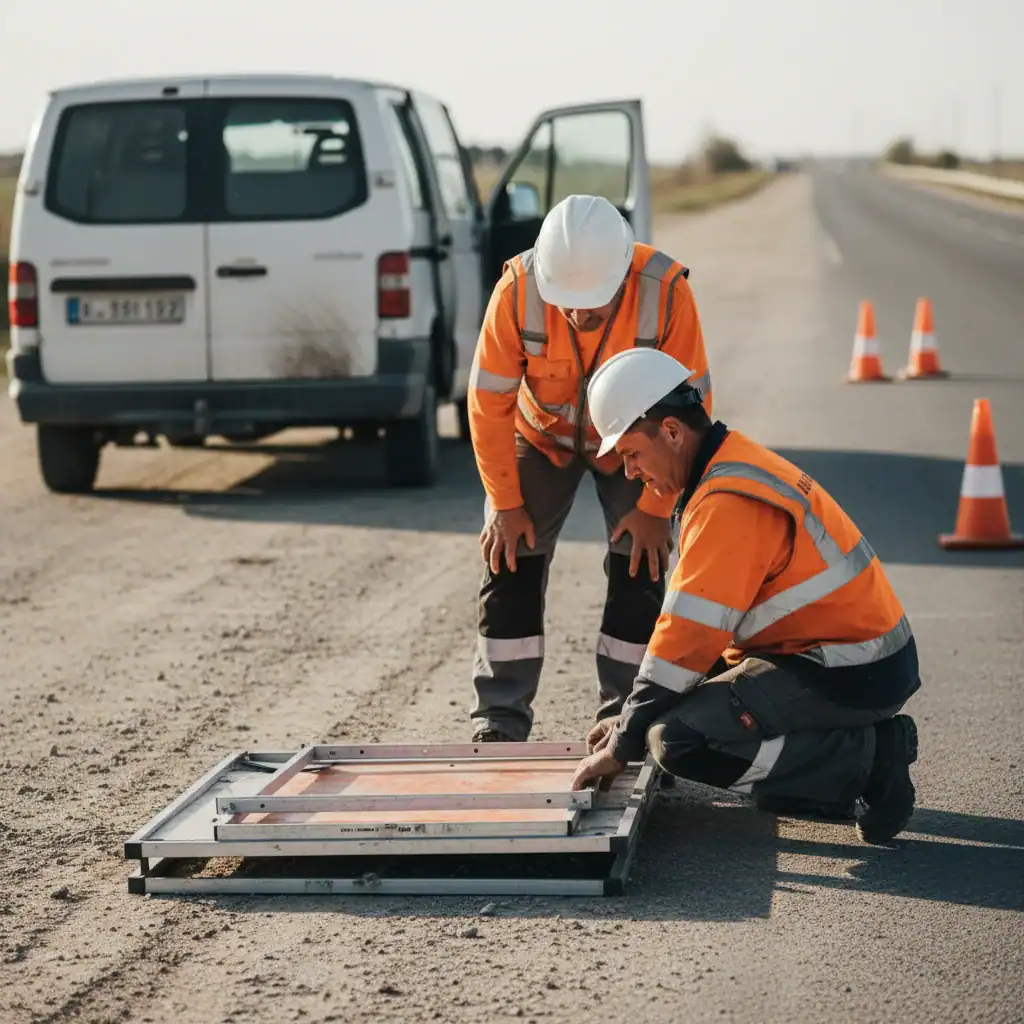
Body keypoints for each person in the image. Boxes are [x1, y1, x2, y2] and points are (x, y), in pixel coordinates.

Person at [569, 347, 921, 844]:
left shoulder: (728, 500)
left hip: (850, 669)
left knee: (678, 740)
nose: (629, 473)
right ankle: (839, 760)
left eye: (631, 454)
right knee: (667, 715)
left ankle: (866, 759)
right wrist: (633, 713)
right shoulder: (726, 465)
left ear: (670, 431)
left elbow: (686, 638)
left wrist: (626, 741)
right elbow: (702, 638)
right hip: (839, 654)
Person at [467, 194, 712, 743]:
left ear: (624, 276)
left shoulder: (666, 292)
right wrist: (505, 503)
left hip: (631, 444)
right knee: (508, 559)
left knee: (640, 566)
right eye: (566, 305)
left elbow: (690, 413)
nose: (577, 317)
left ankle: (627, 723)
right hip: (541, 435)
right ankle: (499, 722)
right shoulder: (517, 289)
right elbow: (487, 402)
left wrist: (655, 509)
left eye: (592, 307)